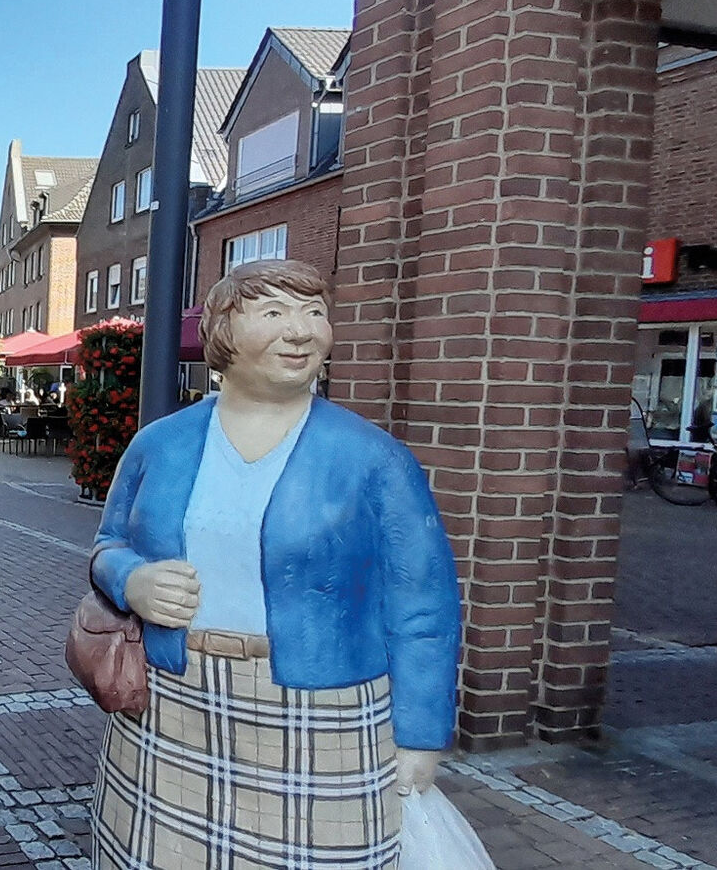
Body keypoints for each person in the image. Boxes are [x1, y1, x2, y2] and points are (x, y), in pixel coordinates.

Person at [86, 259, 462, 868]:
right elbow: (107, 545)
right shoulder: (161, 443)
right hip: (171, 698)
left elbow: (423, 601)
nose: (302, 331)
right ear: (223, 331)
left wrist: (421, 733)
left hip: (323, 708)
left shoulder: (373, 457)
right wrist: (132, 580)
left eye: (315, 313)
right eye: (274, 312)